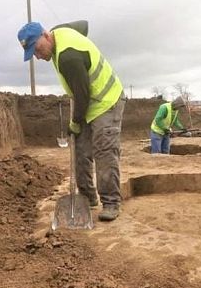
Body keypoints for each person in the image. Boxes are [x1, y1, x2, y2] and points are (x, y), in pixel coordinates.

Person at [17, 20, 126, 221]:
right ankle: (87, 198)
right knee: (81, 149)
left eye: (37, 49)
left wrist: (75, 123)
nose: (38, 56)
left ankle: (111, 202)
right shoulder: (58, 33)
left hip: (106, 100)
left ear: (46, 36)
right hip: (88, 101)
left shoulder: (69, 57)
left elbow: (82, 94)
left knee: (103, 151)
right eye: (33, 53)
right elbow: (83, 25)